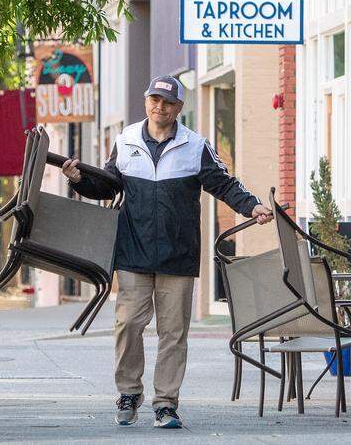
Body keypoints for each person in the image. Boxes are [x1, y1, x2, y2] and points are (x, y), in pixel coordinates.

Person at [62, 74, 272, 429]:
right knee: (128, 323)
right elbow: (108, 186)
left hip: (178, 254)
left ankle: (165, 403)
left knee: (173, 332)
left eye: (168, 102)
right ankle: (128, 392)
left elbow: (224, 183)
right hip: (133, 251)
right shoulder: (127, 140)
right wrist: (78, 179)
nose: (160, 107)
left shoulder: (195, 145)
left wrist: (251, 206)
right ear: (147, 101)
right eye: (155, 100)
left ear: (179, 108)